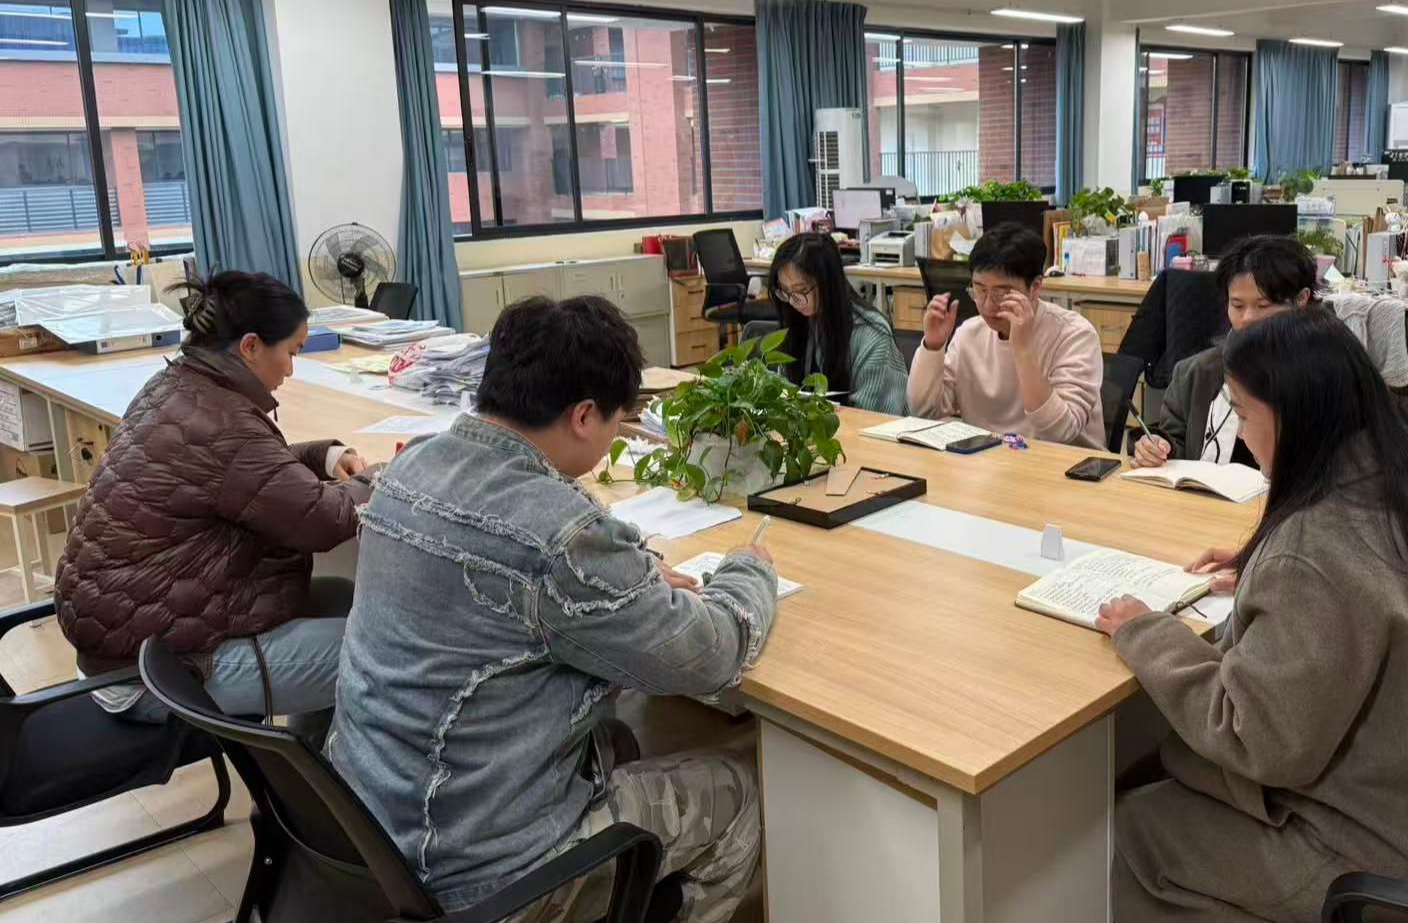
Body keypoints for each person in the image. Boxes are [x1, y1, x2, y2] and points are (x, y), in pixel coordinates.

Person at [329, 295, 778, 923]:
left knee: (621, 735)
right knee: (741, 792)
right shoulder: (563, 536)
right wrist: (749, 568)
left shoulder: (411, 466)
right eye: (620, 420)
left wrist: (627, 575)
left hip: (367, 828)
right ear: (585, 416)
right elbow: (713, 653)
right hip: (486, 874)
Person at [1095, 308, 1408, 922]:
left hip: (1382, 865)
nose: (1242, 436)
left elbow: (1252, 737)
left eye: (1244, 415)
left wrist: (1145, 630)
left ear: (1293, 417)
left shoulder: (1310, 547)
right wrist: (1275, 575)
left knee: (1120, 829)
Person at [55, 271, 371, 731]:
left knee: (344, 598)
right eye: (291, 352)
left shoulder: (177, 386)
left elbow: (243, 473)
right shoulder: (221, 421)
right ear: (250, 346)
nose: (290, 370)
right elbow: (320, 519)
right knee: (381, 654)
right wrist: (386, 477)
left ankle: (310, 766)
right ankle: (311, 772)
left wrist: (321, 456)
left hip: (129, 641)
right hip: (158, 674)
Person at [1133, 235, 1408, 471]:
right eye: (1237, 305)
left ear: (1301, 300)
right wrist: (1157, 447)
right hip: (1209, 507)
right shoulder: (1196, 373)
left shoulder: (1330, 374)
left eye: (1263, 306)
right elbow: (1175, 442)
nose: (1247, 319)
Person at [907, 222, 1105, 449]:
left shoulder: (1074, 335)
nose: (988, 305)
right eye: (980, 290)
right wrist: (933, 345)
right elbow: (923, 411)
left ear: (1035, 287)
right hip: (987, 460)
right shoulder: (969, 334)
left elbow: (1059, 433)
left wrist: (1022, 349)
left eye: (1001, 294)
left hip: (1063, 464)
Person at [767, 231, 909, 414]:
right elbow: (785, 392)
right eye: (785, 291)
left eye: (801, 290)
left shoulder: (872, 335)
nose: (793, 301)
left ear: (827, 283)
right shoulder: (801, 320)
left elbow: (868, 417)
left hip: (866, 429)